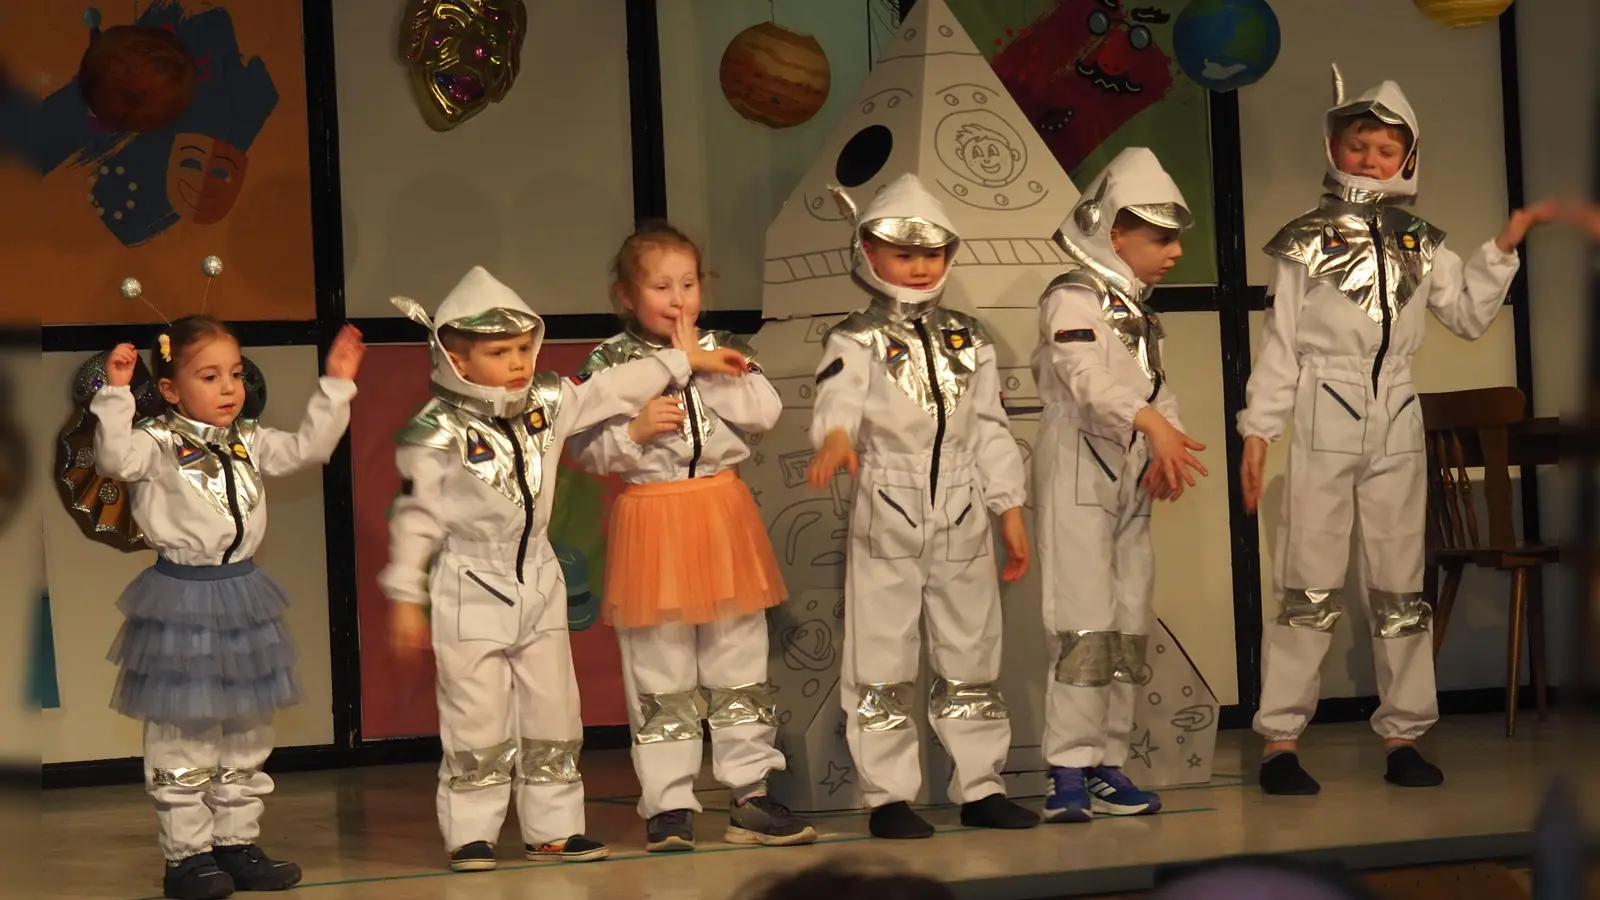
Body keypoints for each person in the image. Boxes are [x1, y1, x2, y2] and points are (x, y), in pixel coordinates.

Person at [1237, 65, 1557, 795]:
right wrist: (1260, 430)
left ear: (1408, 157)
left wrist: (1502, 247)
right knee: (1307, 586)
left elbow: (1471, 315)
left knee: (1400, 586)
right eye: (1360, 144)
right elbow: (1282, 344)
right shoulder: (1306, 241)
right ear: (1334, 147)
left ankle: (1405, 733)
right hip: (1325, 403)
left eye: (1387, 147)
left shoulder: (1419, 240)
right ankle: (1281, 740)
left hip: (1398, 413)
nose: (1372, 158)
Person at [379, 266, 746, 871]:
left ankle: (553, 828)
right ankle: (471, 833)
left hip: (539, 578)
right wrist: (402, 593)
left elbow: (613, 388)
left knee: (554, 710)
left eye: (524, 347)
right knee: (477, 716)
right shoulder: (435, 430)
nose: (519, 361)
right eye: (500, 352)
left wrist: (684, 362)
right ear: (457, 361)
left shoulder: (548, 401)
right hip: (472, 584)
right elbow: (416, 517)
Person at [94, 316, 364, 900]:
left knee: (247, 728)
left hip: (243, 595)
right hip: (184, 597)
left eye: (236, 375)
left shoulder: (248, 438)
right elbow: (115, 460)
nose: (228, 388)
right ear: (169, 389)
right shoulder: (156, 443)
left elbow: (309, 448)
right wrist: (116, 394)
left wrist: (337, 384)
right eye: (210, 376)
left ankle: (235, 843)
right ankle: (186, 856)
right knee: (184, 729)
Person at [569, 222, 816, 852]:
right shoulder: (608, 362)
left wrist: (704, 367)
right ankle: (669, 804)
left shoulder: (723, 347)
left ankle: (751, 794)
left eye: (687, 284)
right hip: (653, 518)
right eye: (660, 286)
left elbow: (764, 413)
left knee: (738, 660)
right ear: (626, 294)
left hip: (719, 511)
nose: (678, 299)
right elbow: (583, 449)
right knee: (660, 668)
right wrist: (635, 433)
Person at [807, 173, 1037, 839]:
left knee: (972, 648)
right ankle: (888, 796)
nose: (919, 266)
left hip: (963, 504)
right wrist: (838, 438)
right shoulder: (855, 338)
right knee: (880, 652)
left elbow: (990, 427)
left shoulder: (971, 337)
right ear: (870, 255)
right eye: (904, 253)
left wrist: (1009, 509)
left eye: (932, 254)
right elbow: (837, 401)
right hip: (890, 500)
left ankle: (981, 785)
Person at [1032, 147, 1207, 823]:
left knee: (1128, 618)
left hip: (1126, 475)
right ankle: (1068, 772)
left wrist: (1167, 441)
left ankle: (1108, 761)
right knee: (1082, 619)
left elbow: (1151, 387)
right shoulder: (1072, 297)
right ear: (1114, 233)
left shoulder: (1134, 310)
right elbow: (1085, 379)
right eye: (1160, 239)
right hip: (1080, 464)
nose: (1173, 253)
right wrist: (1149, 427)